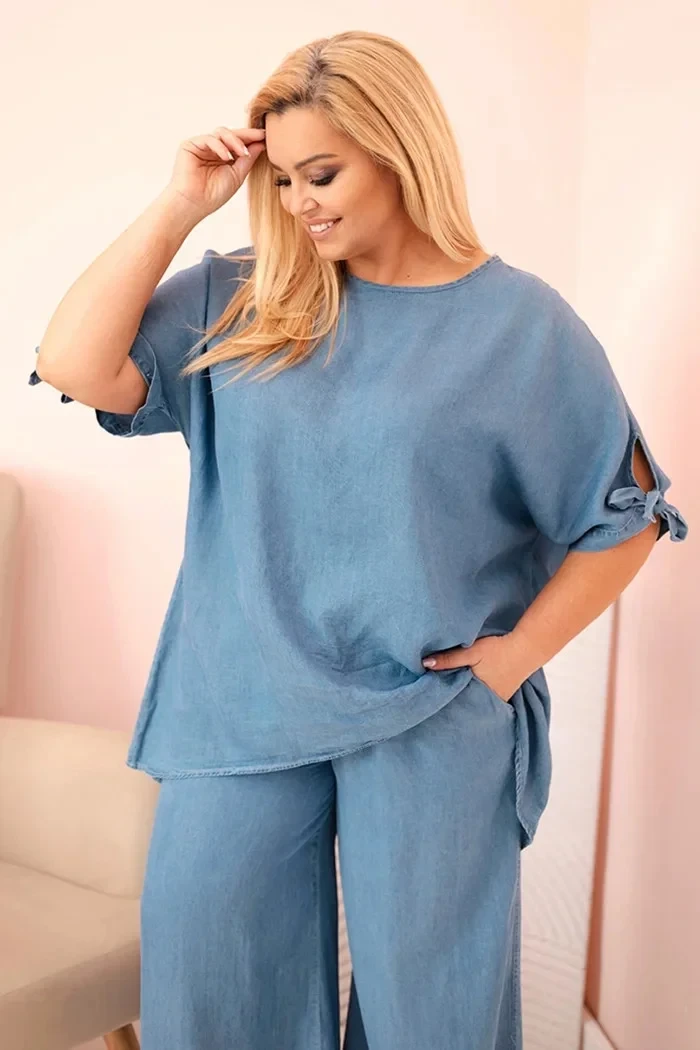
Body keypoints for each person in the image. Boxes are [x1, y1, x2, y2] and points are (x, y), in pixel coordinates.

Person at [30, 29, 688, 1050]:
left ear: (398, 150)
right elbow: (74, 363)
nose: (300, 202)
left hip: (433, 713)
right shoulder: (245, 296)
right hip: (238, 704)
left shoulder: (521, 326)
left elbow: (626, 513)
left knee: (434, 1019)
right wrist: (178, 204)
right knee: (213, 993)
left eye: (323, 173)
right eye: (284, 179)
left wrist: (515, 658)